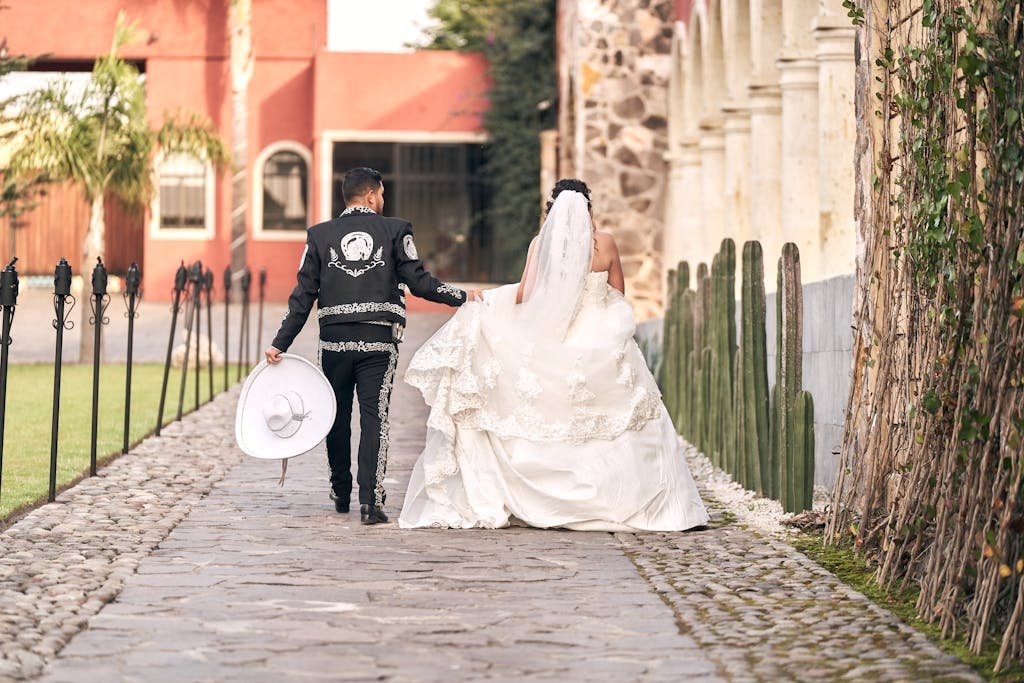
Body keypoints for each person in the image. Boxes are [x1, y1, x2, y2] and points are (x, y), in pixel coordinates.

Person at [399, 179, 709, 531]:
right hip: (601, 337)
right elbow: (618, 291)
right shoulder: (605, 243)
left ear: (552, 210)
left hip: (554, 338)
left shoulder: (540, 245)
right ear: (589, 209)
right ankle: (628, 499)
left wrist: (496, 301)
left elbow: (526, 294)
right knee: (620, 415)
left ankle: (546, 499)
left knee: (549, 411)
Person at [265, 167, 481, 525]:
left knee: (335, 416)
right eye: (381, 194)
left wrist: (279, 343)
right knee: (373, 417)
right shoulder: (395, 230)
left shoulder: (319, 236)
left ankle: (340, 490)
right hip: (378, 341)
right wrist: (462, 296)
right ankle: (371, 501)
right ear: (370, 195)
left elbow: (302, 298)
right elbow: (419, 282)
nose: (383, 200)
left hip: (334, 341)